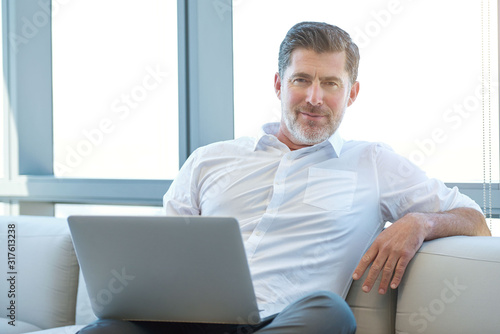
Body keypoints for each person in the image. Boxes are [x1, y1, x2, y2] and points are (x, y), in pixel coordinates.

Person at [78, 21, 490, 334]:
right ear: (279, 84)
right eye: (301, 80)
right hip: (187, 321)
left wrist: (420, 221)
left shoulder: (373, 162)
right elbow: (160, 253)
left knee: (330, 313)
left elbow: (474, 220)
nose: (314, 98)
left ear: (352, 93)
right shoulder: (209, 160)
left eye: (330, 83)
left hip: (286, 322)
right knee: (104, 329)